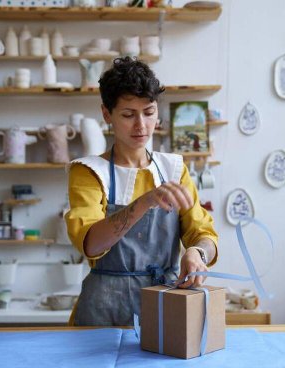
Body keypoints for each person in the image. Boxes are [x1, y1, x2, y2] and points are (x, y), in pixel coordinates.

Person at [65, 57, 218, 326]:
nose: (141, 125)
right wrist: (144, 202)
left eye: (148, 113)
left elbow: (204, 234)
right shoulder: (89, 172)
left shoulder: (173, 169)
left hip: (163, 304)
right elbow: (90, 244)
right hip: (102, 310)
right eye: (128, 114)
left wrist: (197, 253)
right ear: (106, 114)